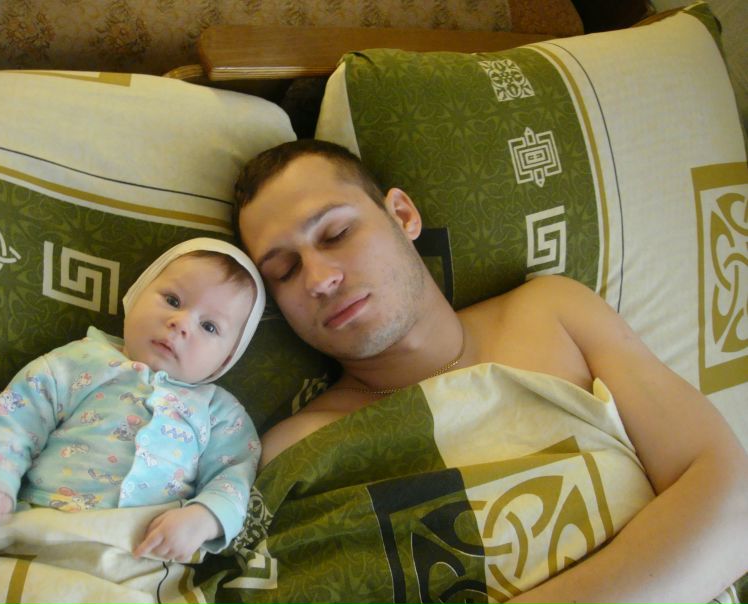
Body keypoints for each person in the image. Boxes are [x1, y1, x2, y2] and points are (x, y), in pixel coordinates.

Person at [233, 139, 748, 602]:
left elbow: (731, 500)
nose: (319, 279)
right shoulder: (299, 451)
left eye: (336, 233)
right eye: (285, 271)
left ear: (403, 215)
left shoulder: (552, 313)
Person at [0, 238, 266, 563]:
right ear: (135, 296)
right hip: (42, 531)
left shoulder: (219, 414)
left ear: (227, 359)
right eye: (173, 300)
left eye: (209, 326)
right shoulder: (76, 362)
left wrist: (205, 518)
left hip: (143, 557)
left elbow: (234, 476)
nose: (181, 323)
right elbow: (15, 419)